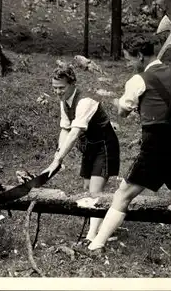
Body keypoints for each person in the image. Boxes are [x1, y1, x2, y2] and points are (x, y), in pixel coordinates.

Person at [87, 35, 171, 277]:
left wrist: (121, 104)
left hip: (156, 145)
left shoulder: (138, 79)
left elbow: (122, 113)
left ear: (139, 56)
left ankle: (96, 245)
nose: (128, 64)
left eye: (129, 59)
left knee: (122, 194)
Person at [42, 64, 120, 245]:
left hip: (104, 146)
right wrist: (57, 157)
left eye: (61, 88)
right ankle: (100, 224)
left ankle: (92, 236)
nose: (57, 92)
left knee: (95, 192)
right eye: (54, 88)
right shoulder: (64, 102)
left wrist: (59, 159)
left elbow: (74, 133)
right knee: (87, 188)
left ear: (72, 84)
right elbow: (64, 129)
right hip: (89, 147)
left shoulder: (84, 101)